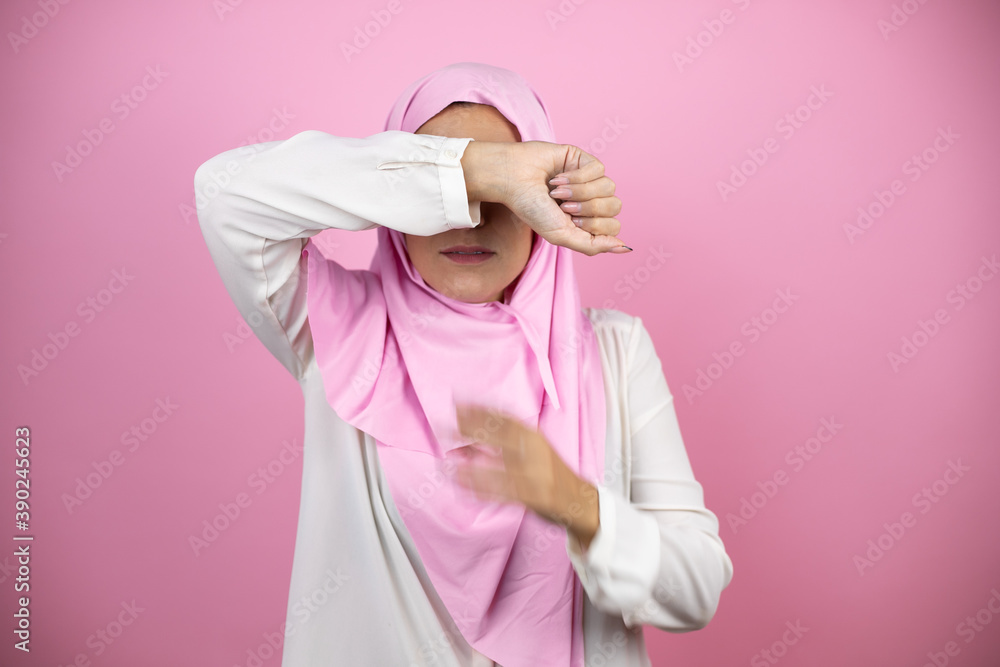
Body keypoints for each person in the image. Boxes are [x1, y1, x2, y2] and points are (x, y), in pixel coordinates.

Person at [195, 62, 733, 667]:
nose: (472, 216)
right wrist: (481, 169)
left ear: (545, 206)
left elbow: (696, 589)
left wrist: (576, 503)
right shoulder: (335, 329)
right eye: (453, 192)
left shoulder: (614, 351)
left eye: (505, 195)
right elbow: (225, 195)